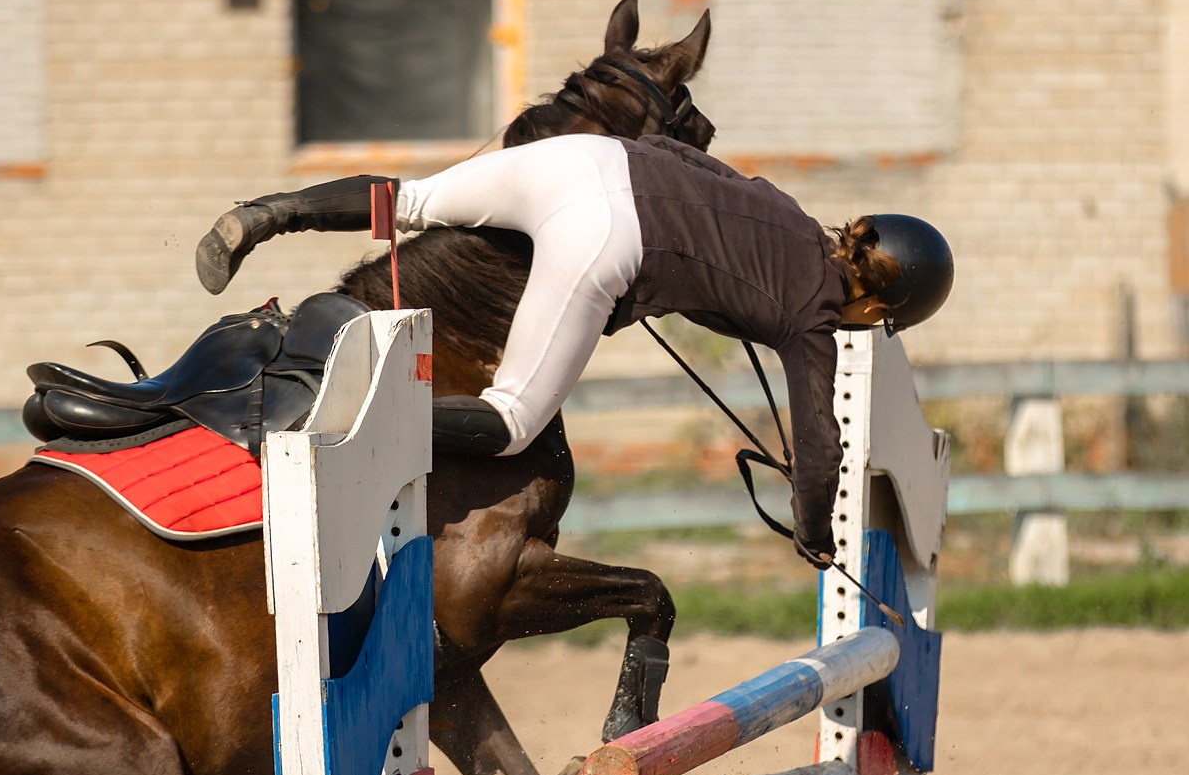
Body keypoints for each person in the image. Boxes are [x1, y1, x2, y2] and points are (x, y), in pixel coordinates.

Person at [192, 132, 951, 566]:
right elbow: (820, 445)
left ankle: (268, 213)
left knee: (415, 200)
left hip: (587, 159)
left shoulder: (785, 209)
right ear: (880, 304)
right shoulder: (814, 313)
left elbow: (693, 162)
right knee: (515, 416)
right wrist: (816, 534)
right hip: (605, 235)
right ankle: (367, 425)